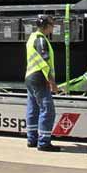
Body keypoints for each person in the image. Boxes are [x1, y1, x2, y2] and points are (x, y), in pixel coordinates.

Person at [25, 14, 60, 152]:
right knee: (48, 110)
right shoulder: (40, 40)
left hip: (30, 76)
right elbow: (45, 62)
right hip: (39, 77)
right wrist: (52, 83)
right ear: (46, 26)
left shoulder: (32, 37)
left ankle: (32, 139)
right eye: (52, 25)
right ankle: (44, 142)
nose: (53, 27)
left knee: (33, 108)